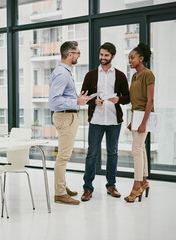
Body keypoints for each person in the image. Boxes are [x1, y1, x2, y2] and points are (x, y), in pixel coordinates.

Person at [80, 42, 130, 201]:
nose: (102, 58)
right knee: (92, 154)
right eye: (101, 55)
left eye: (106, 55)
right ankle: (87, 188)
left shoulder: (120, 75)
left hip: (114, 121)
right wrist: (94, 102)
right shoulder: (91, 75)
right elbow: (83, 97)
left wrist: (118, 99)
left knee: (113, 153)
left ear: (112, 57)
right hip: (96, 120)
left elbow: (128, 98)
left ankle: (111, 185)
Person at [49, 41, 90, 205]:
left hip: (67, 116)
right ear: (70, 54)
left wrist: (76, 99)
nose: (79, 56)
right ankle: (59, 193)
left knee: (64, 155)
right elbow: (54, 100)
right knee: (63, 157)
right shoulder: (63, 73)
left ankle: (62, 187)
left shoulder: (63, 71)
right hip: (65, 117)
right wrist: (76, 103)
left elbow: (61, 96)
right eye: (78, 53)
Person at [124, 43, 154, 203]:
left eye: (132, 58)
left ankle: (136, 186)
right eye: (129, 58)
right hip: (136, 116)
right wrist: (132, 121)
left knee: (135, 150)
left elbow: (150, 100)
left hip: (144, 116)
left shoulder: (148, 74)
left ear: (141, 58)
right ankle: (143, 181)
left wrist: (143, 122)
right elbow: (135, 101)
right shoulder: (134, 76)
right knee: (140, 149)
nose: (130, 60)